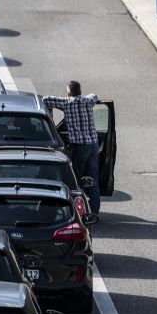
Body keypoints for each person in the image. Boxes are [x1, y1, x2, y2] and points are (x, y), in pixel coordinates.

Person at [42, 81, 101, 215]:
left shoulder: (67, 103)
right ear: (80, 91)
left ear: (69, 92)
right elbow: (95, 95)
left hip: (79, 147)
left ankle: (80, 211)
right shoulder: (88, 101)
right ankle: (95, 212)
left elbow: (45, 99)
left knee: (77, 180)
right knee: (93, 180)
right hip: (93, 145)